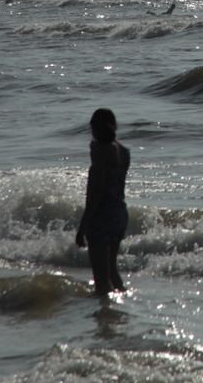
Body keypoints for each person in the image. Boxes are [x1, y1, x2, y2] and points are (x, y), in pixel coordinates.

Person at [76, 108, 130, 295]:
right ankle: (122, 303)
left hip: (101, 215)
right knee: (112, 271)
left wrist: (83, 225)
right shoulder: (124, 152)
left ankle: (105, 318)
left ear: (93, 129)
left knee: (101, 281)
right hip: (119, 214)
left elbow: (97, 191)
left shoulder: (100, 152)